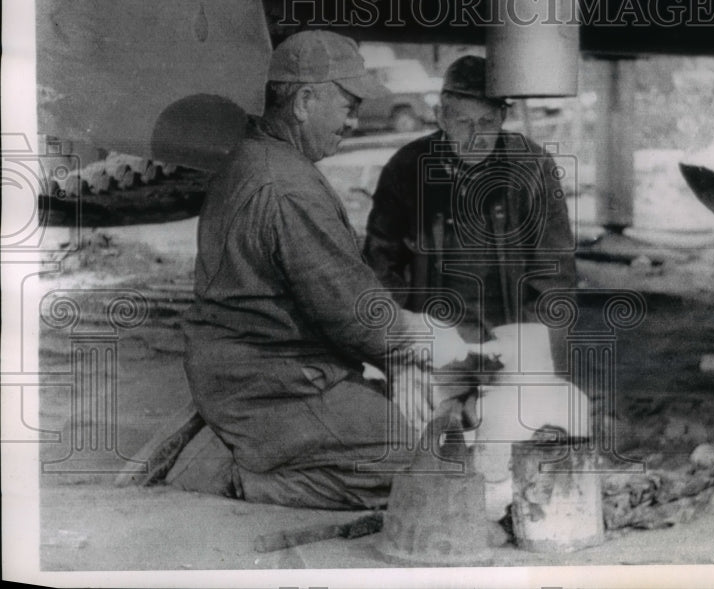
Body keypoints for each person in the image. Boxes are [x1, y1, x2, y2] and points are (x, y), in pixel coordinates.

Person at [179, 31, 490, 510]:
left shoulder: (256, 157)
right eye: (347, 104)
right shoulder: (288, 188)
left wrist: (395, 355)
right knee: (421, 469)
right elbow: (358, 315)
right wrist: (424, 335)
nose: (353, 120)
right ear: (304, 101)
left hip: (252, 367)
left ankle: (271, 457)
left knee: (406, 430)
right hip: (272, 386)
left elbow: (327, 299)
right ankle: (249, 481)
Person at [363, 55, 577, 368]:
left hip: (512, 338)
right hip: (433, 340)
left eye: (487, 123)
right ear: (440, 117)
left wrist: (532, 349)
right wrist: (404, 343)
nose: (476, 136)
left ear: (503, 116)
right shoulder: (406, 169)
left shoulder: (533, 168)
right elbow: (380, 270)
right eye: (463, 122)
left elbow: (555, 274)